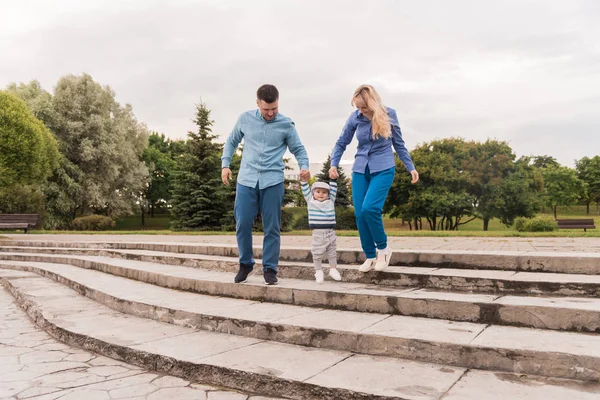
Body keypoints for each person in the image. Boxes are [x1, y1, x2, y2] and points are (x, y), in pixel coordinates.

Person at [221, 84, 310, 285]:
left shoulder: (286, 124)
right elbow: (231, 141)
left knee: (272, 227)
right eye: (266, 109)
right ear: (257, 104)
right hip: (246, 180)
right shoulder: (245, 119)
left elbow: (299, 149)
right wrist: (225, 164)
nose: (270, 113)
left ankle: (270, 268)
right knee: (242, 222)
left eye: (274, 109)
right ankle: (245, 264)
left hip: (272, 181)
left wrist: (304, 166)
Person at [329, 84, 419, 272]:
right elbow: (341, 143)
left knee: (370, 208)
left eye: (364, 108)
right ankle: (370, 256)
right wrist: (333, 164)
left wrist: (410, 167)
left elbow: (399, 144)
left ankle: (384, 250)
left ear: (373, 103)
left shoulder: (389, 114)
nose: (361, 111)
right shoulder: (355, 118)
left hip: (383, 167)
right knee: (360, 213)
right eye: (358, 108)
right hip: (361, 168)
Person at [300, 178, 342, 284]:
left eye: (324, 192)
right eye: (318, 192)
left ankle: (333, 269)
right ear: (313, 193)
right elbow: (305, 189)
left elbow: (333, 189)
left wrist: (333, 179)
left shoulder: (330, 201)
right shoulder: (310, 201)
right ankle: (318, 271)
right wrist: (304, 181)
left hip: (330, 232)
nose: (321, 194)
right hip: (318, 233)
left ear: (328, 194)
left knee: (332, 252)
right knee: (317, 253)